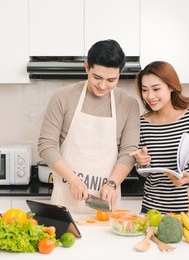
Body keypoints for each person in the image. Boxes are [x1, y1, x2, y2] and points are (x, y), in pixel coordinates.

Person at [37, 39, 140, 213]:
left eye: (111, 80)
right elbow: (46, 146)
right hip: (65, 201)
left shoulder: (128, 104)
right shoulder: (62, 97)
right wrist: (73, 179)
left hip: (105, 203)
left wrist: (112, 183)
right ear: (87, 67)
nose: (102, 85)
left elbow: (129, 153)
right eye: (97, 77)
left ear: (120, 73)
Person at [130, 61, 189, 214]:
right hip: (152, 208)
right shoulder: (142, 124)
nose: (149, 96)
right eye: (144, 90)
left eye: (156, 89)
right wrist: (141, 162)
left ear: (171, 86)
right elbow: (142, 170)